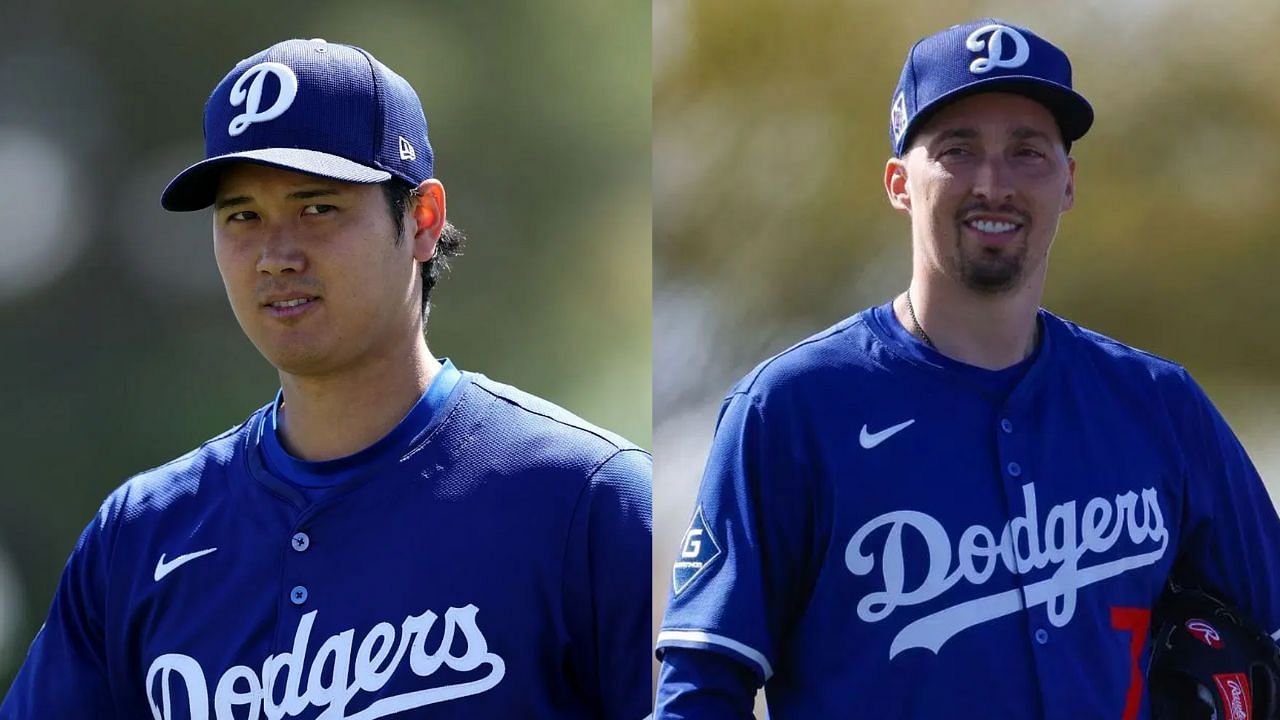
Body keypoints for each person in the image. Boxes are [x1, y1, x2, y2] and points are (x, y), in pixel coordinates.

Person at [1, 39, 651, 719]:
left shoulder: (587, 502)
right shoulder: (140, 536)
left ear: (423, 220)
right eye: (242, 216)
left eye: (318, 208)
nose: (276, 255)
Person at [654, 18, 1280, 719]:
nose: (994, 183)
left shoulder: (1159, 405)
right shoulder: (793, 410)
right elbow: (701, 688)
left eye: (1027, 152)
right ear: (899, 182)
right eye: (958, 150)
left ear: (1068, 182)